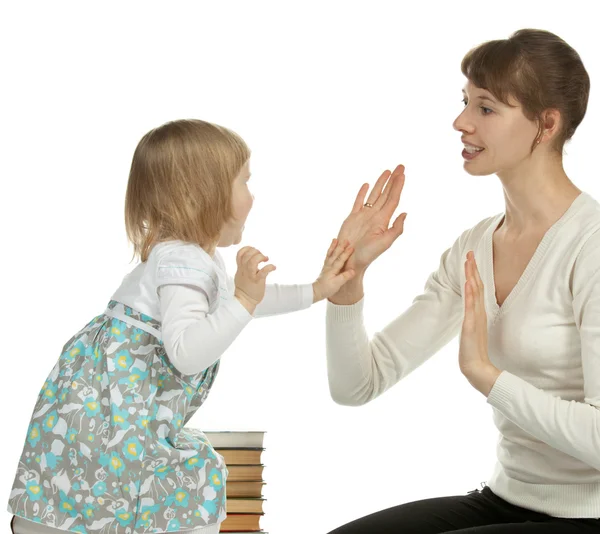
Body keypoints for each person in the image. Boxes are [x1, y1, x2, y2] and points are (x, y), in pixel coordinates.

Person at [7, 119, 356, 534]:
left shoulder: (187, 258)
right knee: (192, 474)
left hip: (102, 411)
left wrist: (315, 290)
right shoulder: (182, 262)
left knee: (103, 482)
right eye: (244, 181)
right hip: (114, 416)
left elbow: (245, 299)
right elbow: (187, 353)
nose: (253, 194)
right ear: (203, 195)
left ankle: (49, 521)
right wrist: (243, 299)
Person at [325, 29, 600, 533]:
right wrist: (349, 284)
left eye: (487, 108)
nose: (461, 122)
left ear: (547, 124)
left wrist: (486, 376)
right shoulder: (474, 247)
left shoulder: (591, 247)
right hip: (505, 501)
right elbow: (357, 385)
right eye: (465, 102)